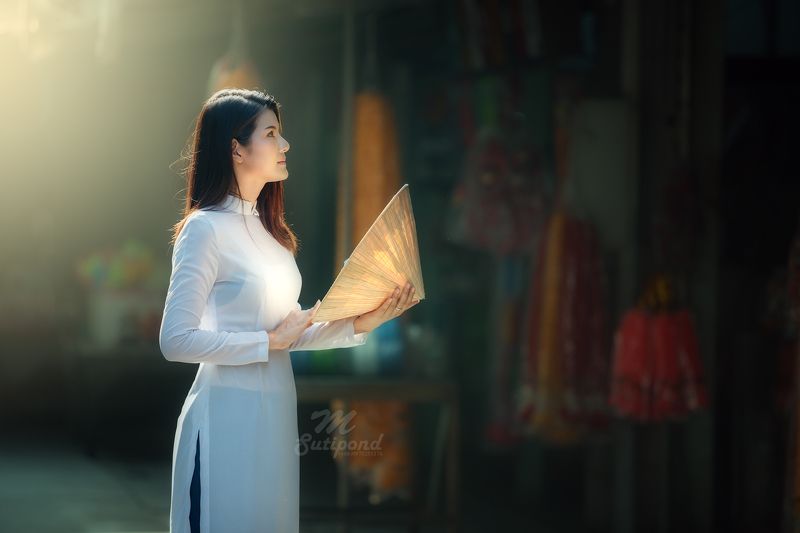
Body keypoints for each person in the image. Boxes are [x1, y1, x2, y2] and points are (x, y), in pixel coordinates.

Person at [158, 88, 419, 533]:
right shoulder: (204, 230)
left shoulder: (271, 234)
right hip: (225, 417)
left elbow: (289, 333)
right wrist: (266, 342)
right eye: (271, 134)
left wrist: (365, 321)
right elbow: (175, 340)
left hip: (276, 412)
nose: (285, 144)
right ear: (236, 149)